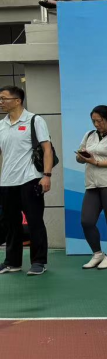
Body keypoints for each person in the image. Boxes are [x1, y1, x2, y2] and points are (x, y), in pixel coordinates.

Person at [0, 86, 53, 276]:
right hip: (7, 182)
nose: (1, 102)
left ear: (17, 100)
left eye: (4, 98)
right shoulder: (1, 124)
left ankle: (39, 262)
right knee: (10, 223)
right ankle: (12, 262)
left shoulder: (34, 120)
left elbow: (47, 149)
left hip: (30, 179)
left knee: (34, 222)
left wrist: (47, 175)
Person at [77, 105, 107, 270]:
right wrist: (81, 156)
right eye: (94, 121)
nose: (96, 124)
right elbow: (80, 156)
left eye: (100, 121)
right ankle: (97, 254)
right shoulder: (89, 135)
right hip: (92, 184)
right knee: (86, 221)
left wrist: (96, 162)